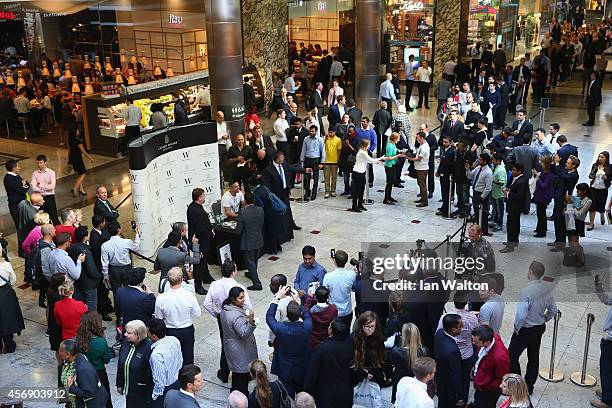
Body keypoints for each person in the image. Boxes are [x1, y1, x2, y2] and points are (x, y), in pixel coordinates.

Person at [204, 260, 251, 383]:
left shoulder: (214, 285)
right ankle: (245, 372)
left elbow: (207, 304)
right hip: (238, 318)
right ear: (234, 271)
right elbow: (248, 306)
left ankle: (224, 373)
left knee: (226, 344)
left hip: (223, 317)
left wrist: (218, 315)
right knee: (242, 343)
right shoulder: (239, 287)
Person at [267, 285, 312, 397]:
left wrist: (277, 297)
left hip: (285, 368)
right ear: (299, 314)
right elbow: (306, 314)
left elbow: (269, 317)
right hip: (302, 368)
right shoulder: (307, 327)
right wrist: (298, 302)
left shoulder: (281, 329)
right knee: (302, 395)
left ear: (286, 314)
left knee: (287, 397)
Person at [436, 292, 479, 403]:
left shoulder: (445, 317)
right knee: (464, 380)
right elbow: (475, 333)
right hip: (466, 354)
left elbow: (439, 332)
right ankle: (462, 399)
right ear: (466, 303)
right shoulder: (472, 318)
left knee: (452, 378)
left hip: (452, 354)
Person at [154, 267, 201, 366]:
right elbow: (197, 314)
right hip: (187, 329)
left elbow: (158, 317)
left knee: (172, 358)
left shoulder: (161, 298)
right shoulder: (189, 296)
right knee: (188, 357)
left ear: (168, 280)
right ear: (182, 279)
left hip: (169, 330)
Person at [221, 286, 258, 396]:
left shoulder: (225, 309)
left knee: (237, 374)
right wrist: (251, 321)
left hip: (232, 346)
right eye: (241, 298)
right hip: (240, 350)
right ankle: (240, 398)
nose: (243, 300)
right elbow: (244, 333)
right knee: (240, 377)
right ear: (233, 299)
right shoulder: (236, 316)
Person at [75, 311, 113, 408]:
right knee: (104, 397)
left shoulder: (78, 340)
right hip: (99, 373)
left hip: (82, 373)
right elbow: (106, 360)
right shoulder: (101, 342)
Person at [385, 322, 429, 403]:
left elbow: (386, 361)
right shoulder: (424, 350)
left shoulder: (396, 353)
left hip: (401, 382)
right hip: (417, 382)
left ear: (404, 336)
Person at [61, 338, 110, 407]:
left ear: (67, 354)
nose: (58, 352)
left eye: (60, 351)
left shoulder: (83, 370)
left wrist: (71, 387)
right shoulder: (70, 360)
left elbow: (89, 393)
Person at [102, 221, 140, 306]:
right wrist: (137, 234)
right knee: (130, 290)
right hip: (126, 269)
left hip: (114, 270)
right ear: (119, 230)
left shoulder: (104, 245)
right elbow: (136, 247)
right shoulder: (126, 242)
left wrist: (105, 275)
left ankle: (119, 316)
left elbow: (104, 263)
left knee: (116, 294)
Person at [117, 319, 154, 407]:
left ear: (138, 335)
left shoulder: (148, 348)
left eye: (129, 333)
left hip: (141, 393)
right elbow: (121, 364)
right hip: (129, 391)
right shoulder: (126, 343)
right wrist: (119, 384)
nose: (125, 334)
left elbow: (151, 374)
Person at [472, 325, 510, 408]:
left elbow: (501, 378)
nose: (473, 343)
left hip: (488, 392)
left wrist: (484, 387)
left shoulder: (500, 358)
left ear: (487, 342)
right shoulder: (492, 337)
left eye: (476, 342)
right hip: (480, 385)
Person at [147, 318, 182, 408]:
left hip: (166, 389)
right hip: (178, 382)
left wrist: (155, 396)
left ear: (154, 336)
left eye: (148, 333)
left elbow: (160, 381)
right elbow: (180, 360)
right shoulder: (174, 339)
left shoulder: (156, 355)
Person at [187, 188, 215, 294]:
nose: (205, 197)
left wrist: (211, 228)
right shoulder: (196, 211)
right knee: (199, 262)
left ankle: (206, 277)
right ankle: (198, 285)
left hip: (200, 240)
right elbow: (201, 229)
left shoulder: (194, 207)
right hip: (199, 242)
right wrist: (210, 233)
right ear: (199, 198)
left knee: (203, 261)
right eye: (203, 195)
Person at [434, 314, 464, 408]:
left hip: (440, 379)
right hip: (448, 388)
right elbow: (455, 375)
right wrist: (459, 396)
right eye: (460, 327)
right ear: (453, 330)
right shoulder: (453, 351)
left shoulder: (439, 332)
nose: (462, 328)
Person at [550, 154, 580, 249]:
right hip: (558, 197)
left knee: (561, 222)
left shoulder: (574, 175)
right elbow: (556, 171)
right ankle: (558, 240)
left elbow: (562, 176)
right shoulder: (565, 171)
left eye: (568, 163)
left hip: (564, 200)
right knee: (556, 219)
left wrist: (558, 163)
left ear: (574, 165)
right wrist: (553, 162)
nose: (566, 164)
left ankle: (561, 243)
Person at [68, 226, 101, 311]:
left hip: (77, 281)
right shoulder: (86, 251)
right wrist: (98, 276)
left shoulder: (71, 247)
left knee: (80, 304)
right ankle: (91, 323)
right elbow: (91, 269)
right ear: (85, 237)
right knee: (91, 305)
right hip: (89, 283)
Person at [236, 192, 264, 290]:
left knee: (249, 261)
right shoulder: (260, 210)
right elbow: (261, 223)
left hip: (248, 240)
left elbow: (239, 229)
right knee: (255, 259)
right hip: (258, 238)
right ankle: (252, 273)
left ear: (245, 201)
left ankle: (257, 283)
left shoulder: (243, 212)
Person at [351, 311, 386, 388]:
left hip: (375, 374)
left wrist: (371, 373)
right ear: (361, 326)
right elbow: (350, 359)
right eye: (367, 326)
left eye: (372, 326)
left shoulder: (378, 337)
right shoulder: (354, 338)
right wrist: (363, 373)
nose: (370, 329)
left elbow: (382, 358)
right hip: (358, 375)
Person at [500, 163, 530, 252]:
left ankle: (510, 246)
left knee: (511, 225)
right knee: (515, 225)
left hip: (515, 207)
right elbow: (515, 189)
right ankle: (514, 241)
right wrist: (509, 190)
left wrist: (507, 194)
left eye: (513, 170)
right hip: (513, 206)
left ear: (519, 171)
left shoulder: (522, 181)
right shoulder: (517, 179)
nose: (512, 171)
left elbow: (519, 196)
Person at [323, 250, 356, 327]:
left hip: (333, 311)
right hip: (347, 311)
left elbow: (324, 292)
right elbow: (354, 288)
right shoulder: (352, 274)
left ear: (334, 260)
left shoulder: (328, 277)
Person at [0, 254, 24, 354]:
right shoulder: (6, 265)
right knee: (7, 319)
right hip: (5, 293)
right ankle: (10, 345)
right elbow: (13, 281)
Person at [466, 153, 493, 236]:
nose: (479, 161)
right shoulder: (478, 168)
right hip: (475, 192)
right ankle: (478, 229)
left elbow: (488, 187)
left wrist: (482, 197)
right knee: (477, 213)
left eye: (480, 159)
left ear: (485, 161)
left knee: (483, 213)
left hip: (482, 194)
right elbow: (470, 176)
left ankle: (484, 230)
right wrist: (467, 170)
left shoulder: (488, 172)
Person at [30, 154, 59, 225]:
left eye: (41, 163)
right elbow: (33, 186)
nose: (39, 164)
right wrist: (45, 188)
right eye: (38, 163)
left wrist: (40, 187)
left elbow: (52, 186)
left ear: (45, 162)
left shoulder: (51, 172)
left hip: (50, 197)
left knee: (54, 216)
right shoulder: (35, 173)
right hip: (40, 198)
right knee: (43, 218)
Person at [532, 156, 556, 237]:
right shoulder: (544, 171)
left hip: (543, 197)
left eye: (542, 162)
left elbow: (544, 185)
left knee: (541, 214)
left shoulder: (549, 174)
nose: (540, 164)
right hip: (540, 195)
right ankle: (539, 228)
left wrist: (538, 179)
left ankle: (542, 232)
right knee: (540, 214)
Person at [300, 125, 325, 201]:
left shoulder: (320, 140)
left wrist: (322, 162)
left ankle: (314, 192)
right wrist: (302, 159)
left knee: (316, 177)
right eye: (310, 131)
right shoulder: (306, 139)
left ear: (316, 131)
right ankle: (307, 191)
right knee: (306, 177)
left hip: (316, 160)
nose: (311, 132)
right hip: (307, 159)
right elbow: (303, 149)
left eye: (313, 131)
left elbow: (323, 151)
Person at [588, 151, 611, 231]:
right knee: (592, 206)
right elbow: (590, 175)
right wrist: (592, 176)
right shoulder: (595, 165)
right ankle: (591, 223)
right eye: (599, 156)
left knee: (601, 205)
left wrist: (606, 178)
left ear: (606, 158)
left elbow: (610, 179)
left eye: (602, 157)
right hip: (593, 188)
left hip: (603, 189)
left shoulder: (610, 167)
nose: (600, 158)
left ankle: (602, 214)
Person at [3, 159, 30, 229]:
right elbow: (22, 191)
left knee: (26, 226)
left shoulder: (16, 176)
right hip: (16, 206)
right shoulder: (8, 178)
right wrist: (24, 186)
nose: (19, 168)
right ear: (14, 168)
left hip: (22, 204)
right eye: (18, 166)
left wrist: (24, 186)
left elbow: (27, 184)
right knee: (21, 228)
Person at [407, 131, 431, 207]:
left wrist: (407, 158)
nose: (417, 140)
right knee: (420, 184)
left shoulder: (424, 147)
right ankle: (422, 198)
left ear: (422, 138)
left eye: (417, 138)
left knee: (422, 185)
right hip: (419, 168)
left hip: (422, 168)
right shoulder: (422, 145)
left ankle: (425, 201)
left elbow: (418, 159)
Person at [382, 132, 403, 205]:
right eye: (398, 139)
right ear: (394, 139)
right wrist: (397, 156)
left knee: (392, 181)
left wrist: (399, 151)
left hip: (393, 165)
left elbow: (395, 149)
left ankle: (389, 197)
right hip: (389, 166)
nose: (399, 140)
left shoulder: (393, 144)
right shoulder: (390, 146)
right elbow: (389, 157)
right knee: (389, 182)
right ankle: (386, 199)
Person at [323, 130, 342, 198]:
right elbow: (322, 147)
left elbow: (339, 150)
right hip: (326, 161)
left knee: (334, 177)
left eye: (331, 132)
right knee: (326, 178)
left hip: (334, 161)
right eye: (329, 132)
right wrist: (325, 139)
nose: (330, 133)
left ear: (335, 132)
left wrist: (338, 159)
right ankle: (327, 191)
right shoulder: (326, 139)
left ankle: (333, 190)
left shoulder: (338, 140)